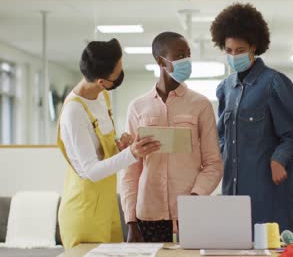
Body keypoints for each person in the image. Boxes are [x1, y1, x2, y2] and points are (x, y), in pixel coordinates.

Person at [211, 3, 293, 235]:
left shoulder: (274, 83)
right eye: (229, 50)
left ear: (254, 47)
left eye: (240, 50)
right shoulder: (225, 89)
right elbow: (222, 137)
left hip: (267, 198)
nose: (234, 55)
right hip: (232, 196)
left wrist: (278, 159)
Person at [57, 38, 160, 249]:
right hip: (84, 210)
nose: (122, 74)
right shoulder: (74, 111)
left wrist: (119, 147)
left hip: (107, 204)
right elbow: (92, 171)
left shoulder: (101, 95)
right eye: (118, 73)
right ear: (102, 81)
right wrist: (131, 153)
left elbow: (101, 151)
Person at [121, 32, 223, 243]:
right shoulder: (138, 107)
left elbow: (213, 163)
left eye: (188, 54)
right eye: (179, 55)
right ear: (160, 61)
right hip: (148, 213)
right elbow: (130, 169)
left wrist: (195, 198)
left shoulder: (201, 105)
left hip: (191, 212)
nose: (186, 60)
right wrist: (131, 221)